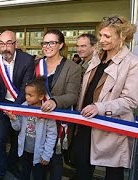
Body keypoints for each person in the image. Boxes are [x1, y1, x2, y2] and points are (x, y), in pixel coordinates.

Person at [77, 15, 138, 180]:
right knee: (82, 169)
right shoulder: (97, 56)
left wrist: (99, 107)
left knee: (113, 174)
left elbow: (130, 101)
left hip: (112, 126)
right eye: (100, 35)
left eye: (107, 36)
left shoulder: (132, 63)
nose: (101, 40)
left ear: (122, 37)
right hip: (86, 121)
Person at [0, 30, 35, 180]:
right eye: (2, 44)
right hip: (2, 104)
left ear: (15, 44)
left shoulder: (27, 60)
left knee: (17, 140)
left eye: (9, 43)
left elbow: (25, 88)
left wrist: (15, 109)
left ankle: (11, 164)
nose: (5, 47)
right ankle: (0, 172)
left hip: (19, 105)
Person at [37, 29, 81, 180]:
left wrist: (55, 101)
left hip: (58, 122)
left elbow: (73, 96)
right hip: (39, 118)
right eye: (44, 43)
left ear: (61, 45)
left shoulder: (72, 68)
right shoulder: (37, 64)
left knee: (55, 159)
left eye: (52, 43)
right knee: (37, 157)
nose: (47, 46)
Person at [5, 77, 57, 180]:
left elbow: (52, 135)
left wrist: (47, 155)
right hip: (24, 150)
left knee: (39, 176)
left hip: (40, 153)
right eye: (26, 94)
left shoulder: (47, 112)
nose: (27, 97)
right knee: (24, 173)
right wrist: (13, 119)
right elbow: (17, 128)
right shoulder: (23, 106)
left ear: (41, 96)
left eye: (30, 95)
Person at [73, 33, 97, 179]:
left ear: (93, 47)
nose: (79, 49)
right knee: (80, 152)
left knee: (87, 154)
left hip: (92, 114)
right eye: (78, 46)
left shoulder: (97, 65)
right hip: (79, 113)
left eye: (83, 46)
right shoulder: (81, 65)